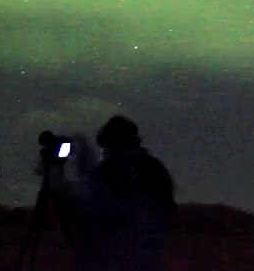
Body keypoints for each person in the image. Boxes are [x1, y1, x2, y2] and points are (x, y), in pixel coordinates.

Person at [60, 115, 177, 271]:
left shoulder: (113, 171)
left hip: (116, 256)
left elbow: (92, 207)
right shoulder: (154, 168)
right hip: (144, 256)